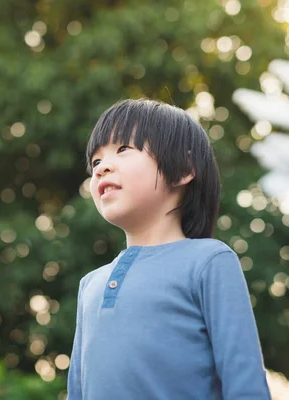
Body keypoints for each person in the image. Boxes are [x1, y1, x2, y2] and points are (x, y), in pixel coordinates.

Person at [67, 98, 271, 400]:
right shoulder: (90, 285)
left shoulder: (209, 261)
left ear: (183, 169)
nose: (101, 168)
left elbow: (245, 383)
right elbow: (77, 392)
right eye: (96, 162)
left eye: (124, 149)